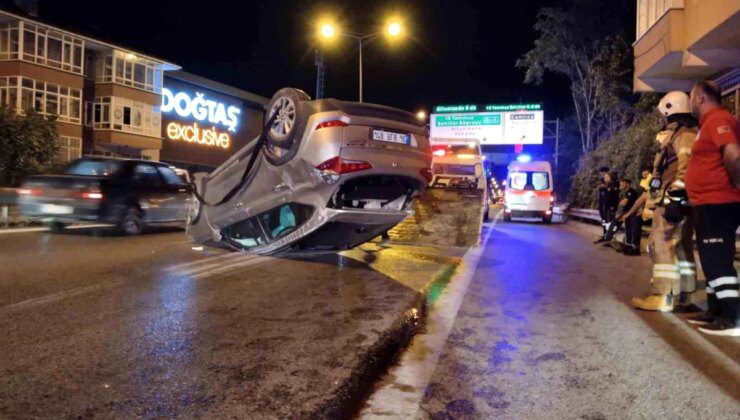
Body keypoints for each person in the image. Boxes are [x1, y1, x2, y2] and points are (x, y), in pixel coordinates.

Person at [629, 91, 698, 312]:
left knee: (659, 244)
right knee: (680, 248)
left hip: (673, 201)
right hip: (677, 200)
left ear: (670, 111)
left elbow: (686, 168)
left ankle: (663, 296)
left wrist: (675, 199)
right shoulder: (682, 134)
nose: (662, 118)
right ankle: (682, 296)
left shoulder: (683, 136)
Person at [684, 80, 740, 336]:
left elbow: (734, 154)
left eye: (691, 96)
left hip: (718, 203)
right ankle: (715, 311)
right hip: (708, 203)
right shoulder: (708, 124)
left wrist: (735, 183)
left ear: (700, 97)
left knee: (717, 259)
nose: (690, 101)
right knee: (711, 258)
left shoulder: (719, 120)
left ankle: (731, 317)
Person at [594, 168, 619, 243]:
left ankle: (610, 236)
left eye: (606, 176)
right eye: (604, 177)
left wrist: (607, 188)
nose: (604, 178)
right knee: (604, 221)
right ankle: (605, 235)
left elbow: (613, 194)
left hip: (610, 206)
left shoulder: (615, 183)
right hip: (603, 205)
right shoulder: (603, 183)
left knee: (610, 221)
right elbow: (603, 194)